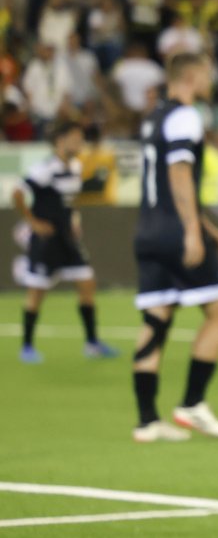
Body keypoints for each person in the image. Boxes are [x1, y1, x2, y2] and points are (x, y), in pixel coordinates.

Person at [130, 52, 218, 444]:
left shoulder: (155, 117)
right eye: (208, 74)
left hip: (147, 231)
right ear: (193, 76)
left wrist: (205, 225)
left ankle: (146, 421)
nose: (211, 82)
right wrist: (193, 231)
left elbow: (163, 182)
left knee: (156, 321)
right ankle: (192, 403)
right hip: (176, 233)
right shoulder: (187, 116)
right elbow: (178, 173)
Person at [12, 120, 117, 363]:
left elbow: (70, 202)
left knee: (87, 284)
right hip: (47, 240)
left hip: (67, 239)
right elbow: (17, 193)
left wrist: (75, 220)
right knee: (37, 292)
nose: (80, 143)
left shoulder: (77, 167)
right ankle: (27, 346)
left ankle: (92, 343)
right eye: (76, 138)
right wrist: (34, 223)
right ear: (61, 140)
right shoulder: (45, 169)